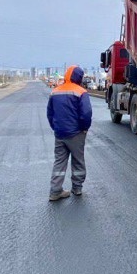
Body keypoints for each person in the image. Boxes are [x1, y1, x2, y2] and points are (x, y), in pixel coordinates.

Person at [46, 65, 93, 200]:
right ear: (79, 77)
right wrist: (84, 128)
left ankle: (55, 191)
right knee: (78, 161)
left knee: (59, 162)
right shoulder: (80, 92)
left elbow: (50, 114)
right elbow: (86, 114)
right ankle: (77, 188)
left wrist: (56, 127)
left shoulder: (55, 92)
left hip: (59, 133)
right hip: (76, 133)